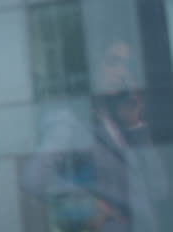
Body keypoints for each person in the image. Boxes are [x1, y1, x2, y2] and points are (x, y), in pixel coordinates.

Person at [21, 41, 168, 232]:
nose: (122, 72)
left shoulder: (121, 124)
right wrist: (87, 205)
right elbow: (33, 178)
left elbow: (160, 189)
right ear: (93, 67)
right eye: (113, 62)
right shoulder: (71, 122)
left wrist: (136, 126)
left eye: (127, 66)